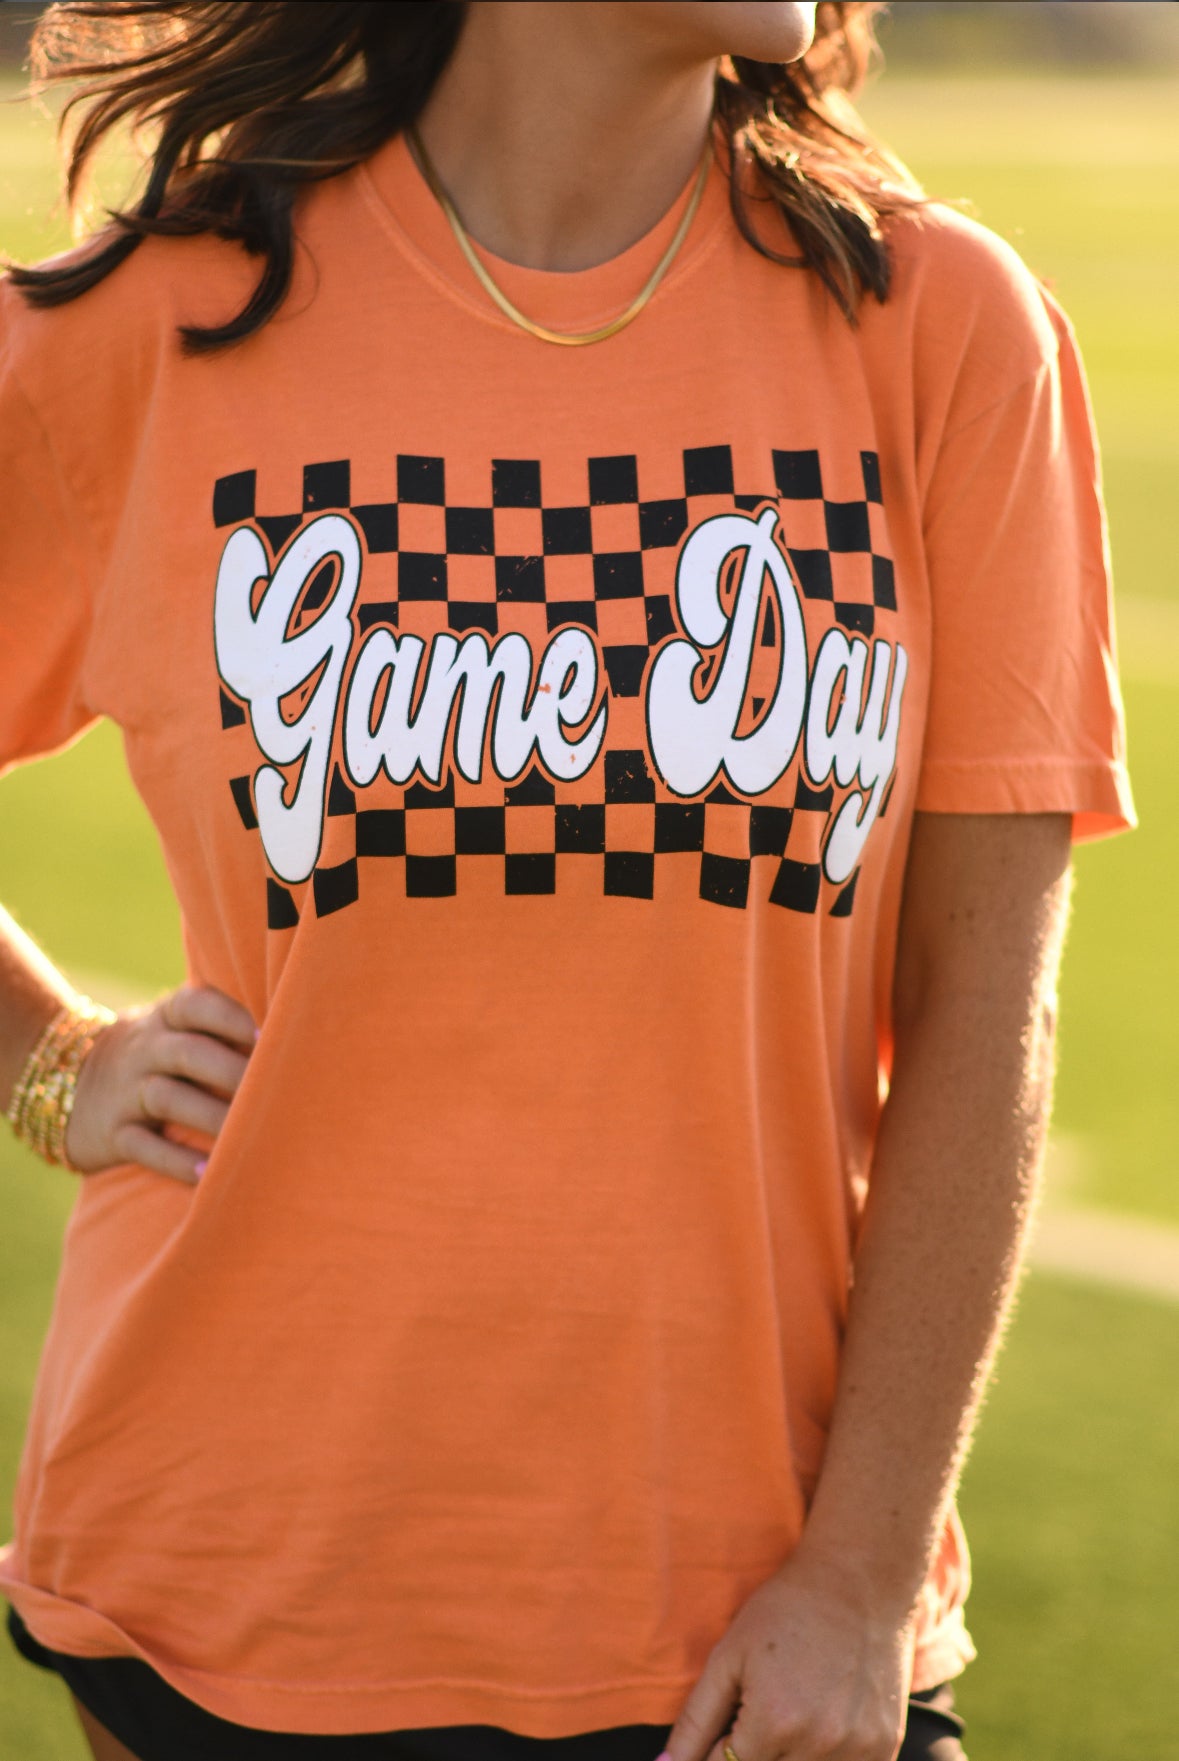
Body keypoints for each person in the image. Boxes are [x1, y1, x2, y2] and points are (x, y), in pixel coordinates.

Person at [0, 3, 1133, 1759]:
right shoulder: (171, 319)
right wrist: (45, 1059)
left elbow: (991, 1014)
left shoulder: (944, 329)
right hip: (243, 1584)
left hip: (760, 1641)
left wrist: (857, 1574)